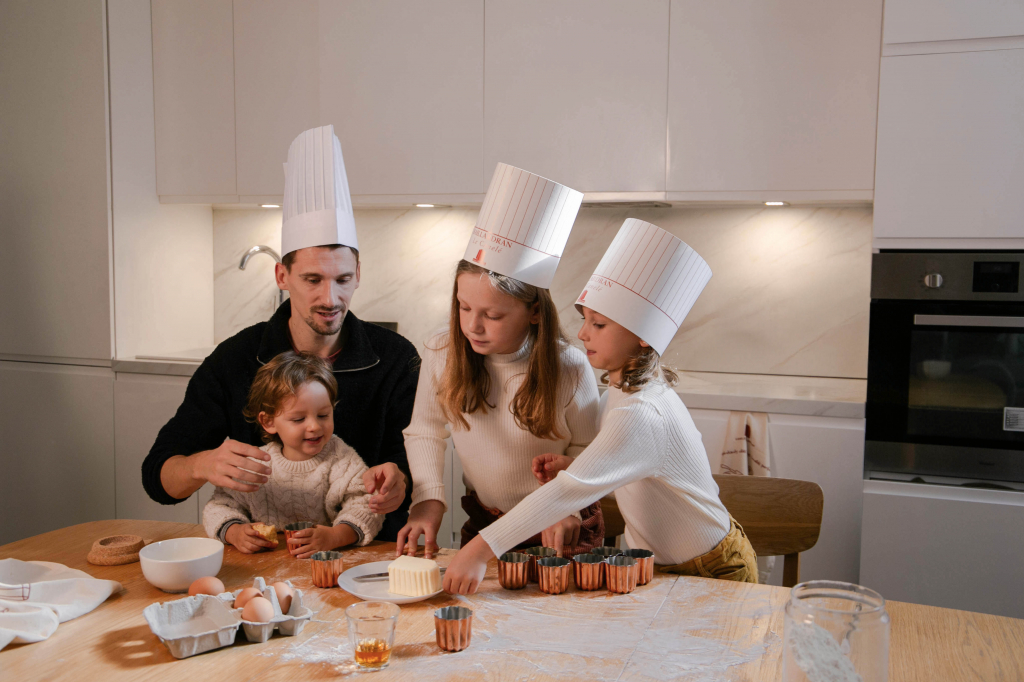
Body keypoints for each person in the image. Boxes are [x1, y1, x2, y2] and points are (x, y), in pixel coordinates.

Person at [443, 218, 758, 594]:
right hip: (670, 563)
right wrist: (577, 464)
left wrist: (479, 550)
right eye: (585, 320)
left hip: (714, 568)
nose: (582, 333)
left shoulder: (641, 412)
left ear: (644, 336)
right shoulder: (622, 392)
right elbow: (633, 467)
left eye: (600, 324)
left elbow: (568, 492)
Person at [142, 126, 419, 540]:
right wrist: (202, 465)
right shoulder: (235, 360)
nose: (331, 297)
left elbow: (415, 464)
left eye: (343, 279)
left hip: (370, 559)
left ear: (359, 274)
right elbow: (157, 477)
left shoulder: (396, 359)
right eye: (312, 279)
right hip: (264, 562)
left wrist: (399, 480)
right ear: (281, 275)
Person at [396, 163, 602, 559]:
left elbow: (589, 447)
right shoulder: (443, 353)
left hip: (561, 526)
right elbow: (424, 430)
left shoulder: (570, 367)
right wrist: (427, 499)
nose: (473, 326)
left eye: (492, 315)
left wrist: (566, 505)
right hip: (488, 521)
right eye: (463, 306)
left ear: (535, 312)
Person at [203, 352, 382, 556]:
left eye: (323, 415)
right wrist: (234, 532)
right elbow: (219, 506)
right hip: (266, 564)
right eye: (298, 419)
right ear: (268, 422)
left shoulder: (341, 458)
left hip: (325, 561)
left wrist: (335, 536)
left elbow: (368, 506)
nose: (314, 426)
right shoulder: (254, 465)